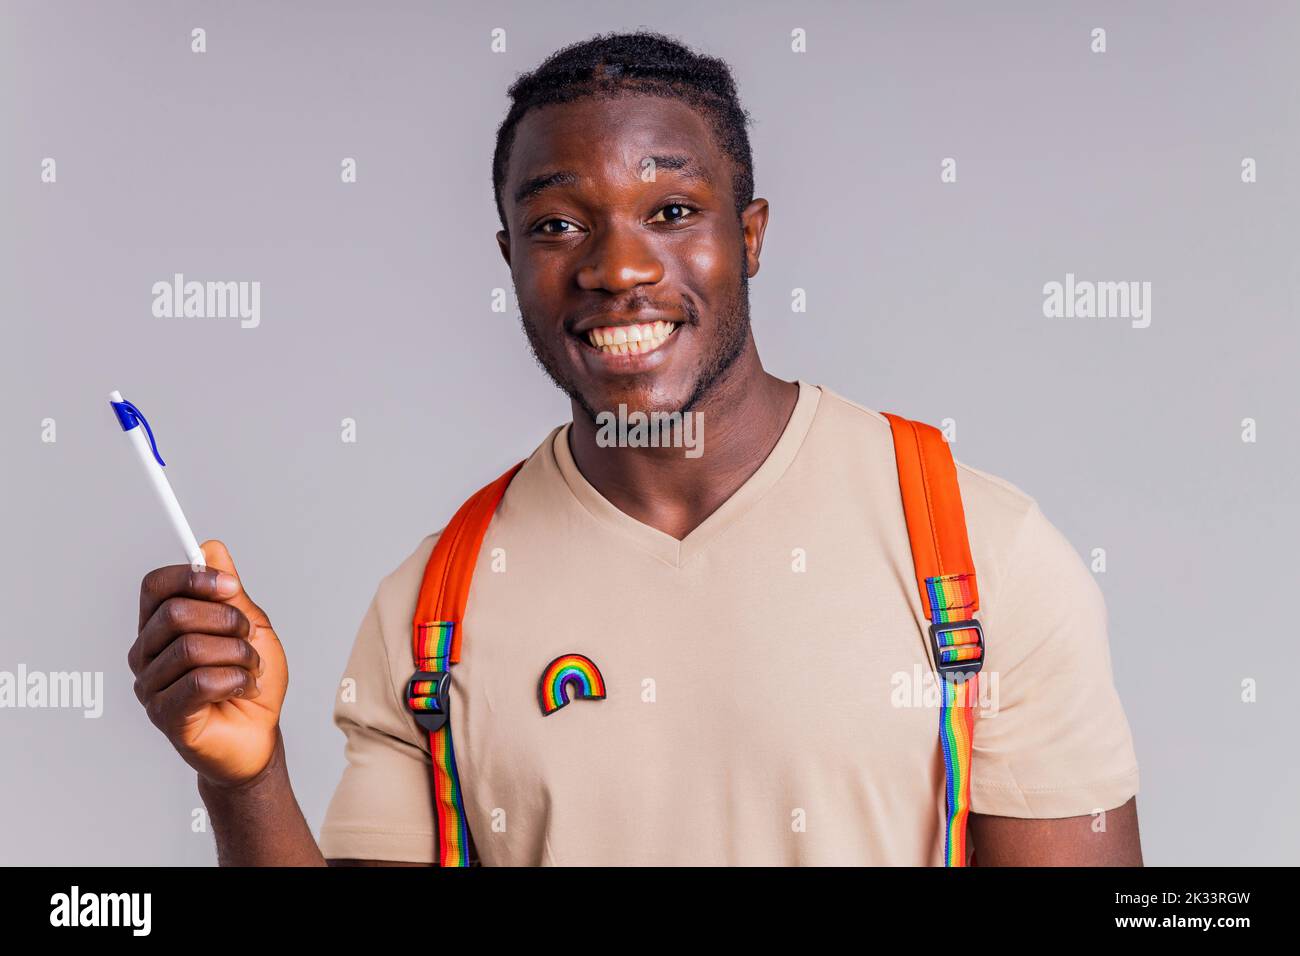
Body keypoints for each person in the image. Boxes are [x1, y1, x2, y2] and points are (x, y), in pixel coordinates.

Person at [128, 31, 1141, 866]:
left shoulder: (978, 553)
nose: (617, 267)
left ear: (748, 235)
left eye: (670, 211)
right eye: (559, 223)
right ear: (511, 261)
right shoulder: (431, 606)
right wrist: (243, 776)